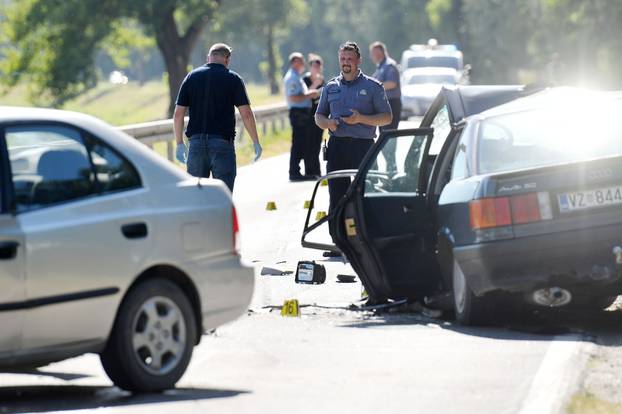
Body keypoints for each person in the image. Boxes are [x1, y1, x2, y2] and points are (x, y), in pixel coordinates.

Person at [315, 41, 392, 256]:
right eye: (343, 59)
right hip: (337, 146)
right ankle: (339, 244)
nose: (346, 63)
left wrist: (362, 118)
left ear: (359, 61)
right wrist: (328, 123)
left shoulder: (373, 86)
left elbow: (387, 117)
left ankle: (367, 242)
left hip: (363, 147)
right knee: (336, 195)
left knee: (363, 194)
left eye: (350, 59)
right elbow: (318, 116)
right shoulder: (330, 87)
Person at [173, 43, 262, 192]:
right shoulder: (233, 78)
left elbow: (177, 115)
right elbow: (246, 114)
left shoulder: (191, 77)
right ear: (227, 59)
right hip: (222, 144)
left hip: (195, 145)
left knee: (196, 197)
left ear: (209, 57)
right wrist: (255, 141)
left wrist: (179, 143)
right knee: (223, 197)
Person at [284, 52, 319, 181]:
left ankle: (297, 171)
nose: (303, 63)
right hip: (298, 113)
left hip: (302, 113)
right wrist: (309, 95)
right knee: (298, 143)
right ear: (293, 62)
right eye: (300, 61)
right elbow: (293, 97)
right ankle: (294, 172)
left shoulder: (296, 76)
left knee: (302, 142)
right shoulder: (292, 78)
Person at [370, 41, 401, 172]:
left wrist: (375, 86)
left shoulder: (389, 66)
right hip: (382, 106)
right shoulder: (380, 68)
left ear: (382, 52)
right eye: (373, 53)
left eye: (376, 53)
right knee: (384, 138)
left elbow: (392, 83)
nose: (374, 56)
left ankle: (392, 170)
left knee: (388, 138)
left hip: (391, 105)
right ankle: (390, 170)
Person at [303, 53, 325, 177]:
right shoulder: (305, 80)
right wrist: (315, 84)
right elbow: (305, 95)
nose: (316, 68)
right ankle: (308, 171)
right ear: (310, 67)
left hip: (319, 117)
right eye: (314, 65)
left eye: (318, 65)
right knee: (308, 144)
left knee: (317, 144)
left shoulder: (322, 81)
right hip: (307, 117)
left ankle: (316, 171)